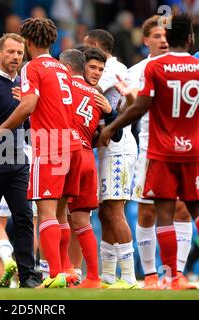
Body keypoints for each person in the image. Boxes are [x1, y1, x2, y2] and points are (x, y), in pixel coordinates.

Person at [99, 13, 199, 290]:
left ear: (170, 38)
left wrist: (110, 129)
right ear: (190, 39)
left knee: (166, 211)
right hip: (190, 151)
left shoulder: (157, 68)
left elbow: (140, 107)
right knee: (191, 211)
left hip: (162, 151)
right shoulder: (195, 67)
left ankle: (173, 276)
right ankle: (159, 276)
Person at [0, 18, 82, 289]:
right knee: (62, 213)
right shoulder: (63, 69)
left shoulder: (32, 67)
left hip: (49, 143)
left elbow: (28, 106)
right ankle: (66, 271)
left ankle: (52, 275)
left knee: (46, 211)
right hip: (71, 143)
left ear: (27, 42)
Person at [0, 33, 41, 288]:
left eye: (20, 53)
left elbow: (27, 127)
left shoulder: (25, 84)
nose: (15, 57)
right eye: (11, 52)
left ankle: (29, 276)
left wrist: (26, 110)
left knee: (24, 216)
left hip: (19, 159)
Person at [60, 47, 121, 288]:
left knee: (54, 214)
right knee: (80, 219)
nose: (96, 73)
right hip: (86, 157)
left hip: (67, 153)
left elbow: (110, 137)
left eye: (100, 69)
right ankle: (91, 277)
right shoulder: (94, 93)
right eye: (93, 67)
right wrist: (111, 112)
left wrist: (110, 110)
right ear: (81, 66)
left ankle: (59, 271)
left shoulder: (67, 87)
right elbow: (108, 136)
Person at [84, 29, 138, 289]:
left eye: (87, 48)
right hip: (107, 147)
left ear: (95, 45)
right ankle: (107, 275)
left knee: (115, 212)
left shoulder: (111, 68)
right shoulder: (117, 66)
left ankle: (128, 277)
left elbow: (92, 90)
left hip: (119, 146)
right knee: (105, 213)